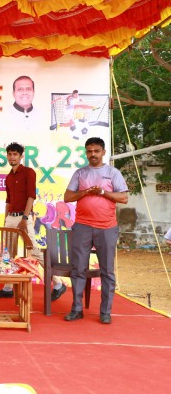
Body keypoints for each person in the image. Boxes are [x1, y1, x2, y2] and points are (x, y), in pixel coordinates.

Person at [0, 142, 66, 301]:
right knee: (8, 254)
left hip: (24, 217)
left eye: (15, 154)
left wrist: (25, 218)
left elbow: (31, 196)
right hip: (10, 218)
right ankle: (8, 288)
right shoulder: (9, 177)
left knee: (35, 251)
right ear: (7, 156)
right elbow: (8, 200)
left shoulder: (29, 172)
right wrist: (5, 220)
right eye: (10, 154)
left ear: (21, 156)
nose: (12, 157)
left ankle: (58, 283)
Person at [63, 137, 128, 324]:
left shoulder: (113, 173)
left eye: (96, 151)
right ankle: (76, 309)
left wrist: (102, 192)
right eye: (89, 151)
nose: (93, 154)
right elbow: (67, 197)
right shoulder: (80, 173)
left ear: (103, 152)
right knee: (78, 269)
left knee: (107, 271)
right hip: (82, 226)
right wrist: (85, 192)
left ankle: (105, 312)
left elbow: (124, 198)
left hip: (107, 227)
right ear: (86, 153)